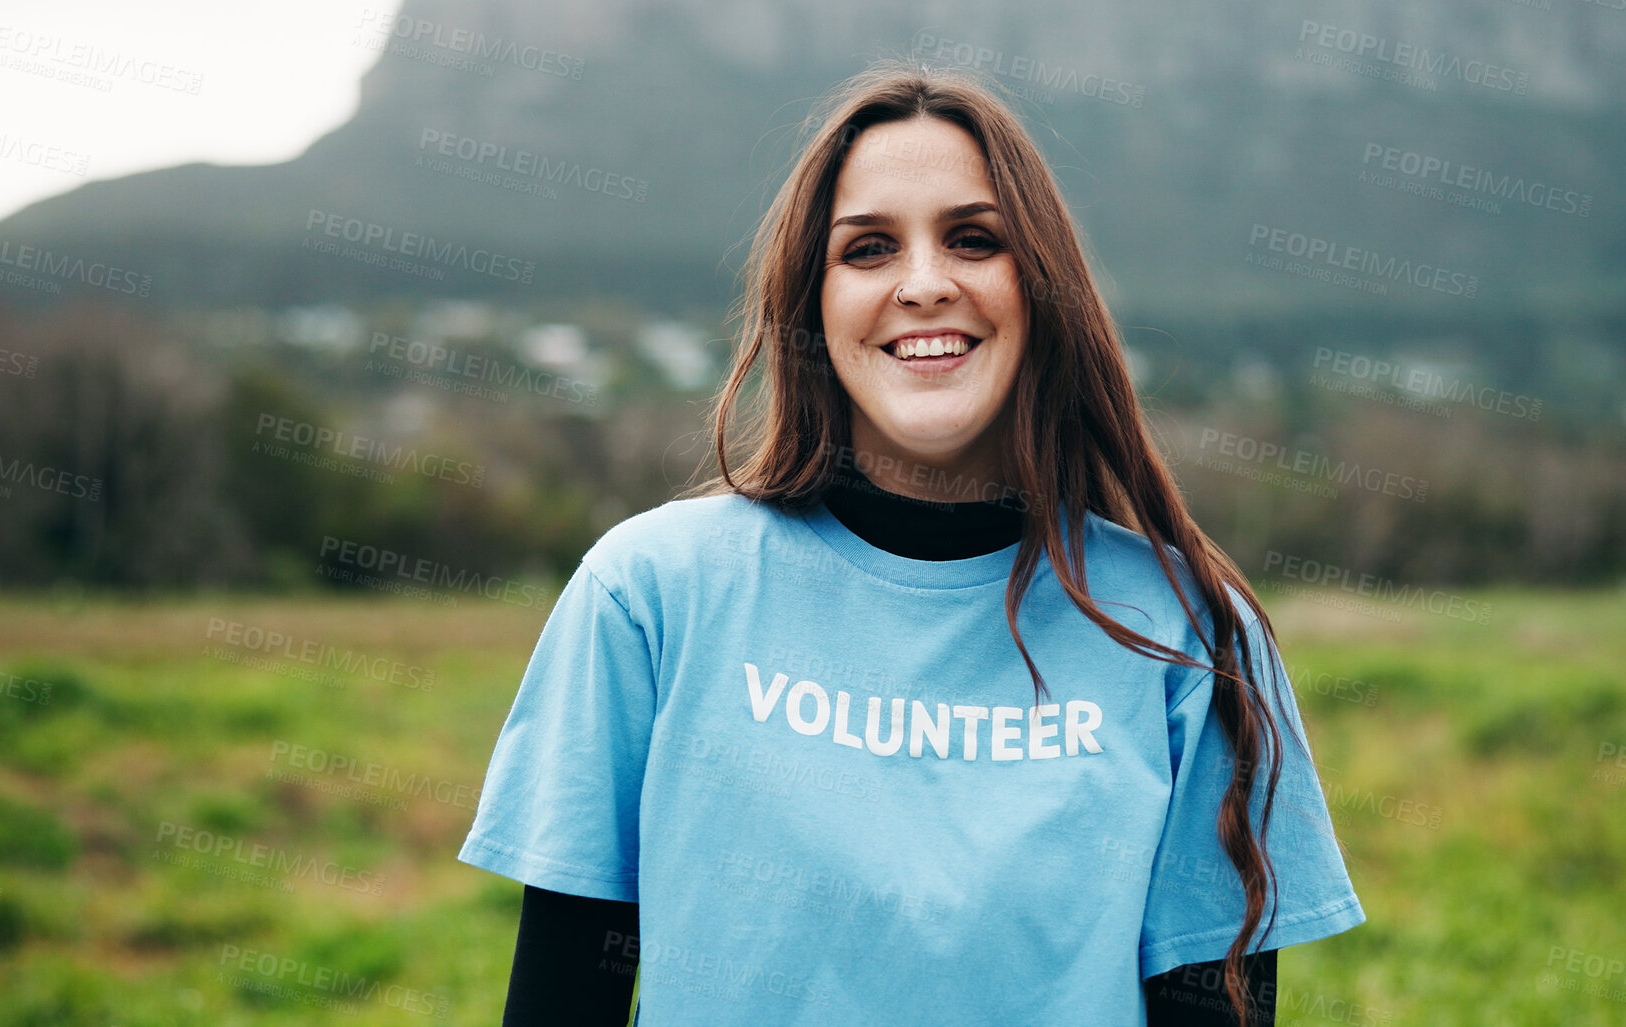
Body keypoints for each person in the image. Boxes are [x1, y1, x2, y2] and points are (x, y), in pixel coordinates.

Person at [460, 60, 1364, 1026]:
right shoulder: (648, 596)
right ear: (809, 299)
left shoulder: (1188, 634)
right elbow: (564, 993)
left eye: (975, 240)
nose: (925, 285)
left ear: (1041, 286)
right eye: (867, 250)